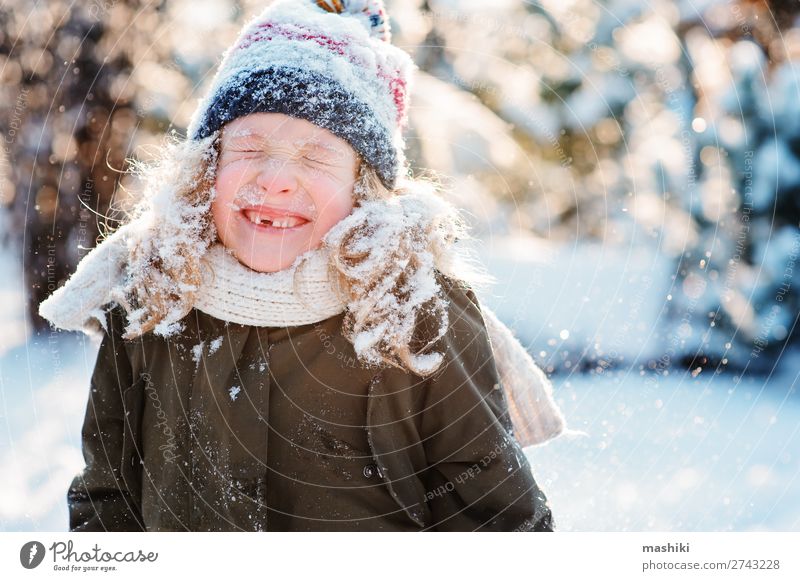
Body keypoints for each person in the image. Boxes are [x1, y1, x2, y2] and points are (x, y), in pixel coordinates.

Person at [39, 0, 567, 532]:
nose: (275, 180)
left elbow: (497, 522)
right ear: (207, 169)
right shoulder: (151, 297)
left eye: (316, 157)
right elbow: (107, 499)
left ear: (364, 190)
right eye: (248, 147)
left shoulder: (411, 308)